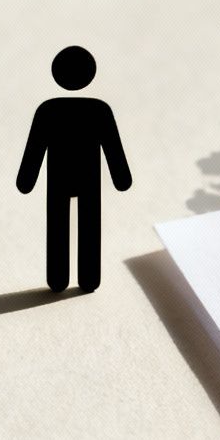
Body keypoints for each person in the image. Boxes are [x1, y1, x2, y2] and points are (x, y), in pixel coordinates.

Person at [16, 46, 132, 292]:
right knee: (89, 227)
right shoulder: (99, 110)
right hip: (88, 179)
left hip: (59, 178)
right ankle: (88, 279)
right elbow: (113, 149)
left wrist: (26, 180)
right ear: (89, 73)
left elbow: (35, 149)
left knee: (58, 227)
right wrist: (121, 177)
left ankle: (58, 279)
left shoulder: (48, 110)